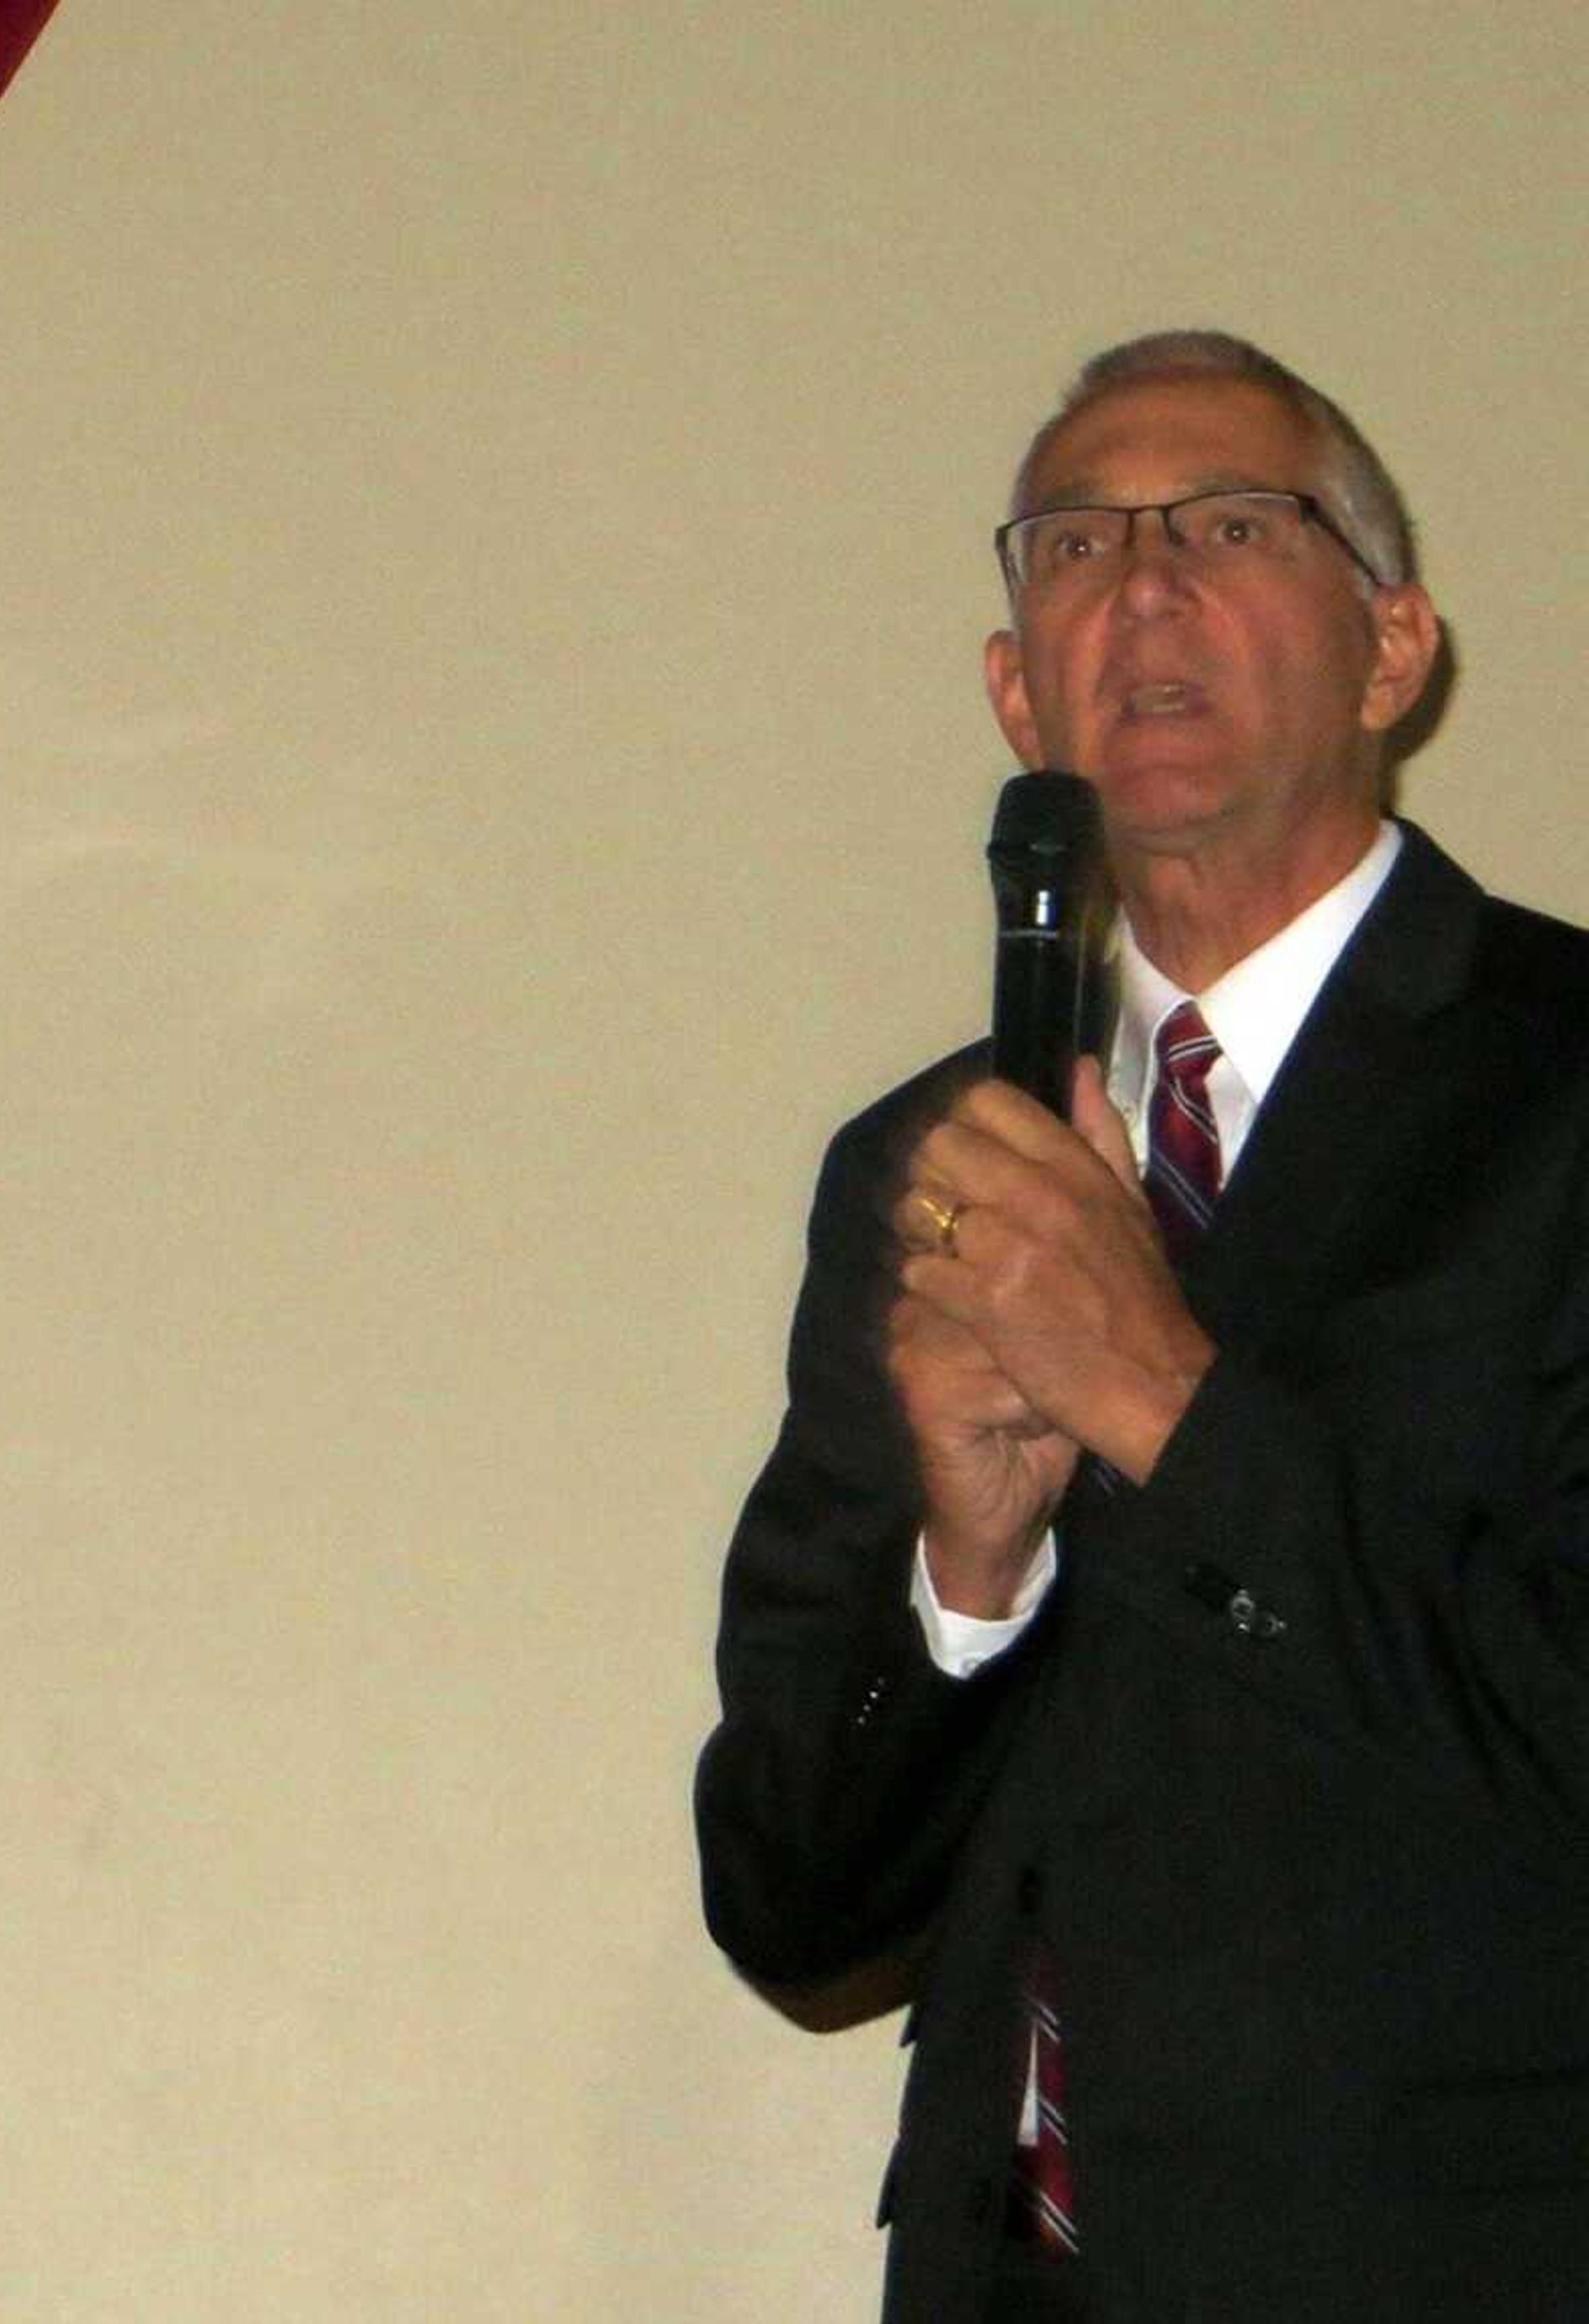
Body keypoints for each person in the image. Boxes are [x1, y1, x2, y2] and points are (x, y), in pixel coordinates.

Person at [695, 331, 1589, 2321]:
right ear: (1019, 690)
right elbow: (789, 1898)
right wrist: (967, 1572)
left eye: (1236, 524)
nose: (1148, 583)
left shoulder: (1561, 1085)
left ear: (1394, 649)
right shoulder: (928, 1173)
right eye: (1078, 545)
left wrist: (1171, 1411)